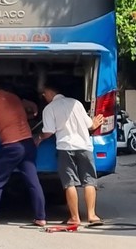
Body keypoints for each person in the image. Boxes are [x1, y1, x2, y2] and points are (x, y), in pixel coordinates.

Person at [0, 78, 45, 226]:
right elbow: (29, 108)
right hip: (28, 143)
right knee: (33, 182)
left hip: (11, 146)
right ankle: (41, 217)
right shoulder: (13, 97)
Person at [39, 78, 103, 230]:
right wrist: (96, 122)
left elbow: (48, 132)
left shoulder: (49, 108)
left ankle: (75, 217)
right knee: (89, 181)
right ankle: (92, 215)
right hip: (84, 146)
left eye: (44, 94)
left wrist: (38, 137)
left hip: (65, 147)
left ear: (49, 92)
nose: (43, 96)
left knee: (70, 183)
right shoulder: (77, 103)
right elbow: (90, 125)